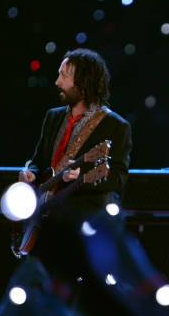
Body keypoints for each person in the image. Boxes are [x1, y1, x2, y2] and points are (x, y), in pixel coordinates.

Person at [19, 48, 132, 219]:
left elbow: (117, 179)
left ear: (83, 82)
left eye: (64, 76)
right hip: (45, 215)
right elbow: (39, 160)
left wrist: (82, 176)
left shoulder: (115, 125)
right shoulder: (53, 116)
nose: (57, 82)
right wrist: (31, 173)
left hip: (82, 221)